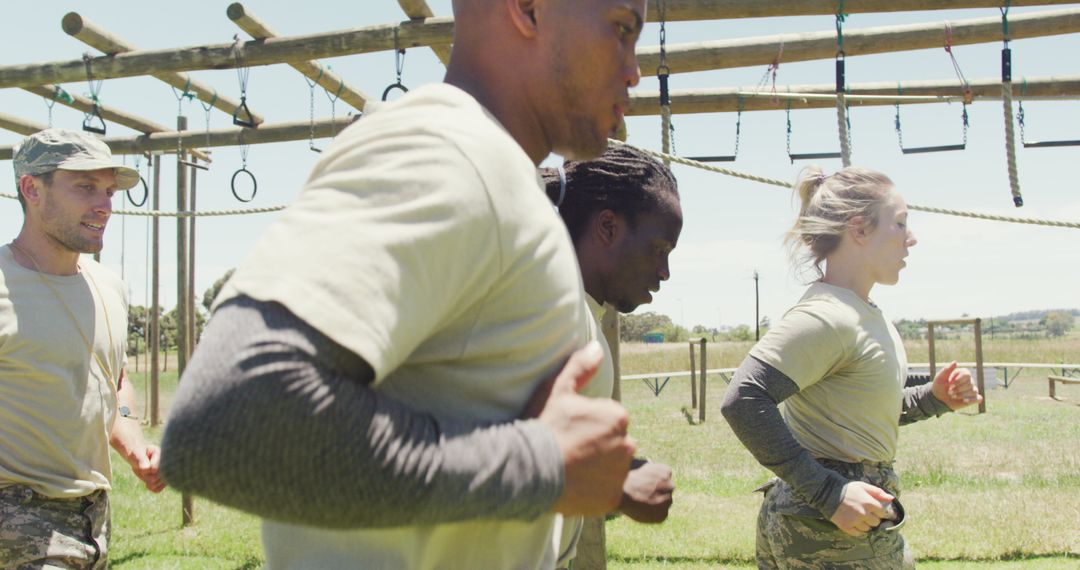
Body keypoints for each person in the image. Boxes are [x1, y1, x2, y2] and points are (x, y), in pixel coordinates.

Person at [159, 0, 648, 568]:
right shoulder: (451, 154)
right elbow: (229, 422)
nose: (634, 69)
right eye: (621, 29)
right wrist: (539, 466)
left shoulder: (496, 172)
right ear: (529, 9)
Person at [720, 165, 983, 569]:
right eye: (899, 224)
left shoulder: (864, 315)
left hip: (845, 524)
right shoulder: (828, 316)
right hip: (830, 528)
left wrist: (933, 398)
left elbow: (861, 410)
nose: (911, 239)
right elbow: (743, 398)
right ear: (859, 230)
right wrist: (830, 493)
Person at [1, 128, 167, 569]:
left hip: (93, 521)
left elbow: (113, 383)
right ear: (31, 189)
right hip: (17, 518)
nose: (105, 206)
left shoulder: (107, 286)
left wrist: (134, 444)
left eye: (110, 191)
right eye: (86, 187)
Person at [542, 143, 682, 568]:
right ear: (607, 226)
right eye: (658, 248)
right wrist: (615, 484)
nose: (664, 272)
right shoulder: (552, 313)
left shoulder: (577, 309)